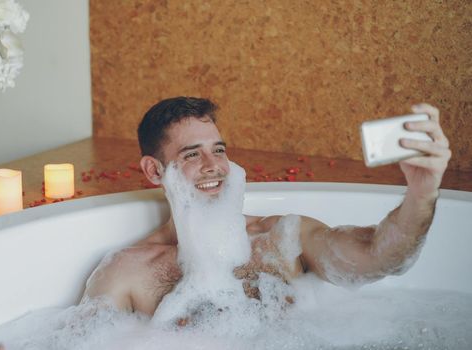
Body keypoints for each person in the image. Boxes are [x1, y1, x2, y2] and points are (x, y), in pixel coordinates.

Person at [82, 96, 451, 316]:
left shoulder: (282, 237)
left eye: (220, 150)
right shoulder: (127, 273)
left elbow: (380, 257)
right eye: (192, 154)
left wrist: (422, 192)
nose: (215, 166)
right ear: (153, 170)